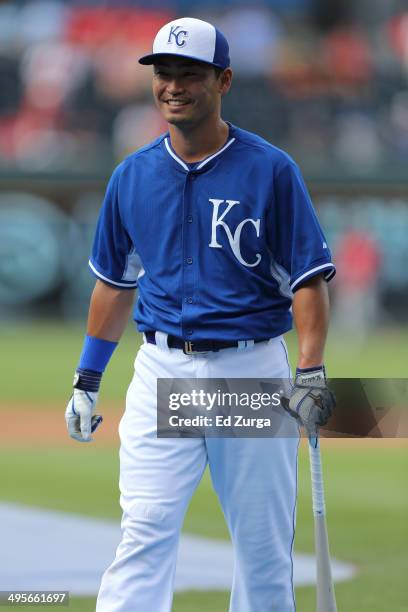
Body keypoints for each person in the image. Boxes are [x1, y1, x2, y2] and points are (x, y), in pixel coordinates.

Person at [65, 17, 336, 612]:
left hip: (248, 375)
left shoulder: (271, 170)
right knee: (144, 531)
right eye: (165, 73)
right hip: (163, 369)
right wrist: (87, 380)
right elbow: (114, 284)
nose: (174, 85)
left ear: (225, 80)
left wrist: (310, 370)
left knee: (263, 551)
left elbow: (309, 280)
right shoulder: (131, 175)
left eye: (191, 74)